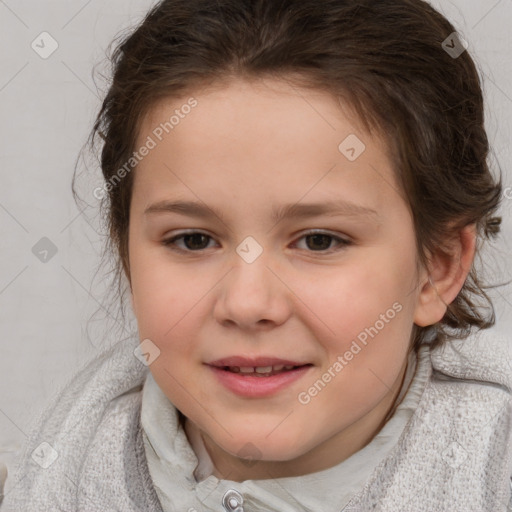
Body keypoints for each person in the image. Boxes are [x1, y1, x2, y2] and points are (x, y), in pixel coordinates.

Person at [2, 0, 511, 510]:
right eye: (193, 240)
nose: (248, 304)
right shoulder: (58, 471)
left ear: (437, 268)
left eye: (319, 241)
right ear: (127, 254)